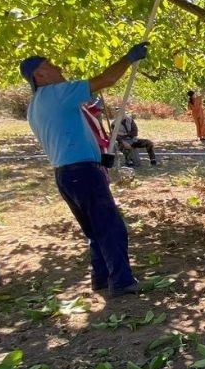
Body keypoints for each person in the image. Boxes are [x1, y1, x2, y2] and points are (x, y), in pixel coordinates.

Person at [19, 43, 148, 297]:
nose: (59, 68)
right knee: (110, 226)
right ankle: (122, 282)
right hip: (81, 172)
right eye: (50, 65)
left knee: (94, 229)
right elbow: (106, 79)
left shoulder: (36, 105)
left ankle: (100, 278)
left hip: (67, 173)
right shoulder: (57, 93)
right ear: (39, 75)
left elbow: (70, 136)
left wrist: (100, 158)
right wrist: (128, 58)